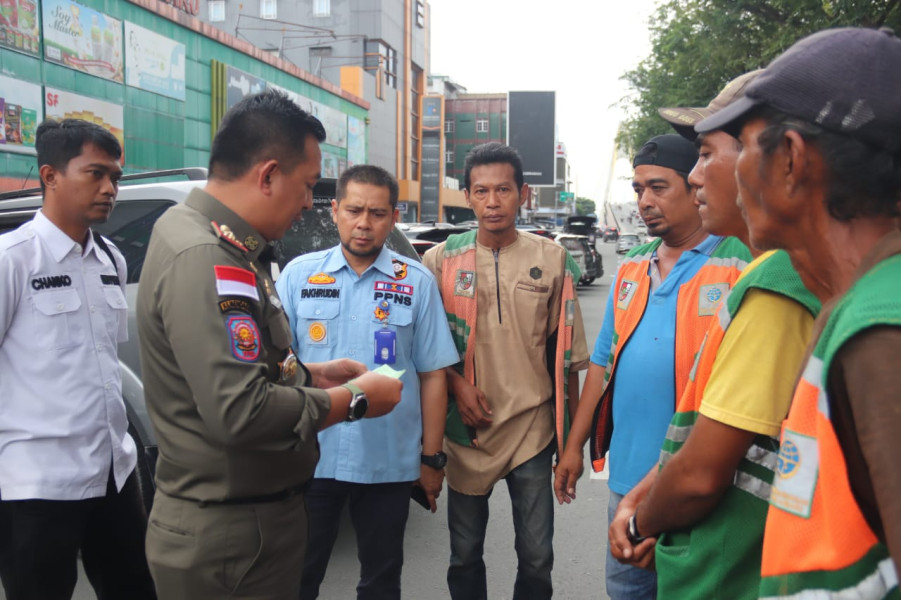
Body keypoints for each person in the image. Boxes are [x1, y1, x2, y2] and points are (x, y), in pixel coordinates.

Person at [137, 90, 402, 599]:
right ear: (267, 175)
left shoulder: (215, 237)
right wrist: (356, 399)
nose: (309, 203)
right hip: (233, 539)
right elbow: (240, 410)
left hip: (245, 524)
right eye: (306, 186)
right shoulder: (206, 255)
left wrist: (309, 376)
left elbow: (247, 368)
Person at [697, 26, 901, 598]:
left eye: (744, 142)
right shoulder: (852, 305)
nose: (717, 171)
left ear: (789, 159)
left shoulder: (880, 331)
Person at [606, 72, 821, 599]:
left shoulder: (778, 282)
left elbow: (704, 473)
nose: (694, 176)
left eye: (706, 154)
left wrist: (640, 521)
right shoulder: (764, 272)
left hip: (724, 571)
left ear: (784, 159)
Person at [554, 134, 751, 599]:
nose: (644, 202)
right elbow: (601, 367)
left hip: (702, 482)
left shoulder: (739, 263)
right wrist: (572, 448)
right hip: (627, 480)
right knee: (627, 592)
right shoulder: (632, 268)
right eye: (638, 189)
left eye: (658, 187)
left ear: (696, 186)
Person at [276, 165, 459, 599]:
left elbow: (433, 375)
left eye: (377, 213)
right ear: (335, 210)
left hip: (387, 462)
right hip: (311, 459)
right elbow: (276, 366)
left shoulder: (415, 284)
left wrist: (431, 460)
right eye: (354, 210)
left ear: (393, 217)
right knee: (297, 577)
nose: (364, 223)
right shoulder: (298, 277)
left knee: (381, 581)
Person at [422, 142, 589, 600]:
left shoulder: (554, 260)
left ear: (524, 194)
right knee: (464, 555)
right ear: (468, 196)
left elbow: (569, 360)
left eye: (503, 190)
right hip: (467, 434)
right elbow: (424, 352)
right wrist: (456, 384)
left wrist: (570, 444)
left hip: (532, 430)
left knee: (537, 558)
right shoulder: (440, 262)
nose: (492, 202)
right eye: (481, 191)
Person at [0, 119, 157, 600]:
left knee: (136, 591)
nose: (109, 188)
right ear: (49, 176)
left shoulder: (111, 259)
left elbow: (104, 365)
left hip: (114, 472)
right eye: (95, 174)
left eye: (116, 177)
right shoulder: (13, 259)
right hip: (38, 484)